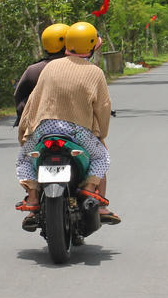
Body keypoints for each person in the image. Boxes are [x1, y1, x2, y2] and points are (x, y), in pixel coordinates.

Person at [15, 20, 120, 226]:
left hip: (44, 129)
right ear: (91, 45)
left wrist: (25, 133)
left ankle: (34, 197)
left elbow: (32, 102)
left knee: (24, 160)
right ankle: (90, 190)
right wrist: (102, 134)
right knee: (101, 157)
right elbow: (103, 107)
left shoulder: (50, 67)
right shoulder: (95, 72)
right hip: (77, 132)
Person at [13, 23, 69, 133]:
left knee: (26, 150)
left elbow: (19, 95)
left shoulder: (33, 70)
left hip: (39, 128)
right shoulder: (78, 67)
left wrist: (22, 117)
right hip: (74, 127)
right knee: (99, 150)